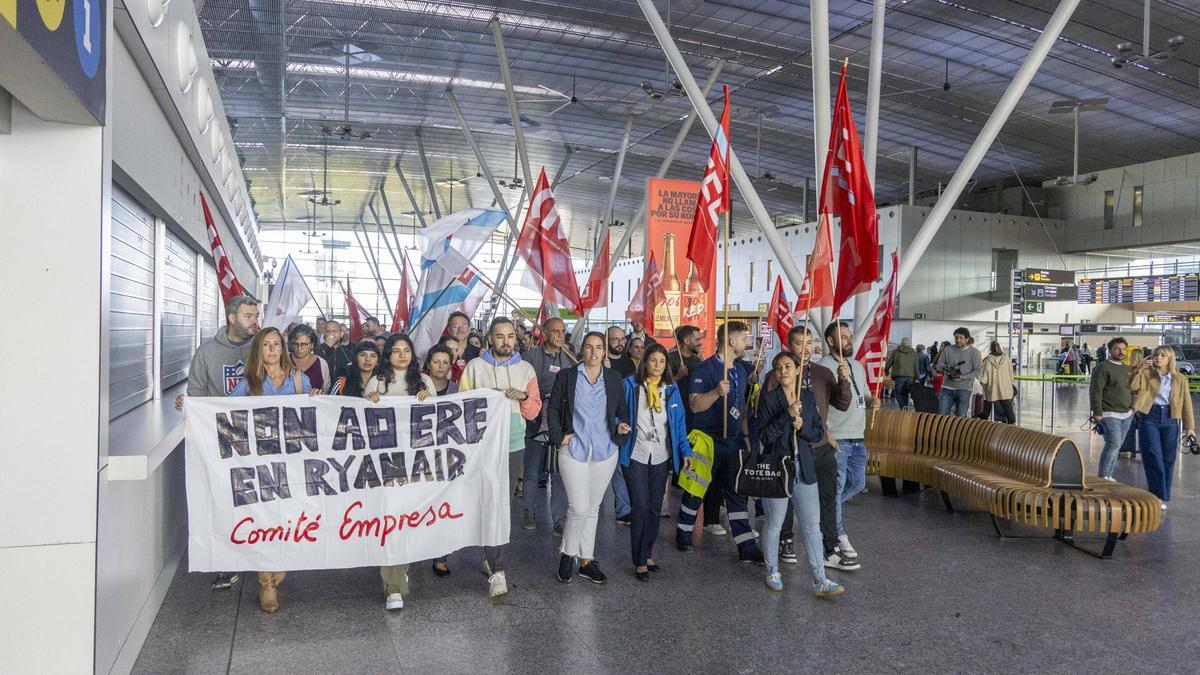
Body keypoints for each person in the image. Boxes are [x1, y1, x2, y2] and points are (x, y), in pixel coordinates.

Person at [229, 327, 316, 613]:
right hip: (259, 463)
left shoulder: (299, 381)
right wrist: (191, 407)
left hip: (292, 463)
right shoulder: (248, 383)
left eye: (276, 344)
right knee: (264, 519)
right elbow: (222, 415)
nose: (272, 349)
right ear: (259, 350)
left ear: (283, 348)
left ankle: (280, 564)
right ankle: (265, 582)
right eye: (266, 345)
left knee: (289, 517)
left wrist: (317, 400)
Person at [177, 294, 260, 591]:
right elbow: (196, 392)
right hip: (221, 440)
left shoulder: (261, 348)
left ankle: (263, 556)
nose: (255, 321)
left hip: (257, 439)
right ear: (232, 318)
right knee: (223, 500)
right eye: (249, 316)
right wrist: (189, 406)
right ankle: (227, 564)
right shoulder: (207, 352)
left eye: (256, 315)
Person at [459, 317, 543, 597]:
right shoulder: (475, 367)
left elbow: (533, 412)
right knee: (484, 500)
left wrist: (522, 397)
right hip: (482, 446)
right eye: (499, 336)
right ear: (490, 339)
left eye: (510, 336)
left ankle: (496, 566)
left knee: (502, 504)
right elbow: (462, 407)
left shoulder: (526, 369)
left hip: (513, 444)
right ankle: (491, 557)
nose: (506, 341)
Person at [762, 325, 852, 569]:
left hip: (820, 445)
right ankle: (786, 540)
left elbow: (841, 404)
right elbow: (767, 419)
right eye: (800, 342)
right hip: (789, 450)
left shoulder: (824, 373)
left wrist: (843, 382)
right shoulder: (775, 377)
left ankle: (830, 547)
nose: (806, 348)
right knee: (787, 499)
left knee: (828, 498)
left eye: (810, 342)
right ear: (790, 347)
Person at [676, 320, 764, 564]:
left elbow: (742, 408)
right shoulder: (705, 370)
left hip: (732, 441)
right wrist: (715, 393)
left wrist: (745, 436)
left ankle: (746, 546)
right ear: (732, 341)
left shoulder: (741, 369)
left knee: (736, 494)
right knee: (696, 490)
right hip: (707, 440)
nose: (747, 342)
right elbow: (694, 405)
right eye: (744, 338)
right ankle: (683, 534)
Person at [547, 332, 631, 584]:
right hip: (574, 449)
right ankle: (567, 554)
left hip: (605, 451)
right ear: (581, 350)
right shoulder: (567, 377)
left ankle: (586, 560)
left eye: (599, 348)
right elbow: (552, 409)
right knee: (579, 507)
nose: (594, 353)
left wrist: (621, 428)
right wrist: (558, 436)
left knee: (593, 508)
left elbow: (621, 412)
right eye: (589, 347)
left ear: (605, 351)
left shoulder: (614, 379)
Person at [364, 333, 435, 611]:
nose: (402, 356)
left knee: (407, 520)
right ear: (388, 355)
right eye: (396, 351)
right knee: (391, 519)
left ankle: (400, 565)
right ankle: (393, 586)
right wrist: (369, 400)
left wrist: (429, 400)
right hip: (386, 462)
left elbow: (436, 420)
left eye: (407, 350)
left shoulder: (425, 381)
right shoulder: (377, 381)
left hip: (417, 462)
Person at [619, 344, 692, 581]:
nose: (657, 365)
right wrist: (618, 426)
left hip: (661, 455)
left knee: (653, 507)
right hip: (636, 453)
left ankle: (648, 553)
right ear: (645, 362)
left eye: (662, 361)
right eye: (653, 360)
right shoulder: (630, 385)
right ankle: (639, 560)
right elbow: (616, 412)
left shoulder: (671, 390)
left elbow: (679, 424)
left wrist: (686, 450)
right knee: (639, 506)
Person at [817, 321, 879, 570]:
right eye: (842, 337)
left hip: (858, 437)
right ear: (830, 341)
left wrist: (872, 400)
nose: (848, 340)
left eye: (849, 336)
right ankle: (838, 535)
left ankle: (824, 513)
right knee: (837, 487)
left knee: (858, 483)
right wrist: (825, 433)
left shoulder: (857, 365)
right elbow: (818, 405)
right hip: (838, 437)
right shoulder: (823, 368)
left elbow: (862, 393)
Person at [522, 318, 575, 534]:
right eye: (556, 331)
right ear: (545, 332)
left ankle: (559, 519)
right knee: (532, 471)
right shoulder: (531, 356)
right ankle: (529, 511)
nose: (560, 335)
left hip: (558, 423)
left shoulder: (569, 358)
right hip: (534, 421)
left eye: (563, 331)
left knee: (559, 473)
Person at [1130, 346, 1196, 507]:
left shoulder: (1180, 379)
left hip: (1170, 419)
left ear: (1170, 359)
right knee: (1153, 455)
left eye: (1162, 355)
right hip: (1149, 416)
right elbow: (1132, 387)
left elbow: (1187, 404)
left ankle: (1162, 495)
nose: (1158, 358)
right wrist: (1138, 369)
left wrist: (1190, 427)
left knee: (1168, 458)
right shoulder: (1146, 374)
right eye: (1156, 355)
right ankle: (1157, 495)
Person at [1088, 337, 1134, 480]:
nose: (1121, 352)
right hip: (1108, 413)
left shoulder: (1126, 369)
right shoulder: (1102, 368)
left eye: (1123, 349)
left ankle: (1108, 475)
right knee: (1112, 444)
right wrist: (1097, 412)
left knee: (1117, 446)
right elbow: (1096, 390)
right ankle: (1103, 476)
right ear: (1109, 350)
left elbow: (1130, 389)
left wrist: (1132, 408)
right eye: (1117, 349)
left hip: (1126, 414)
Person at [935, 328, 981, 417]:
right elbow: (939, 365)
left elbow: (977, 371)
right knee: (942, 416)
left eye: (961, 338)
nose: (958, 340)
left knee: (961, 417)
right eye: (956, 337)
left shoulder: (974, 353)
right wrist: (947, 369)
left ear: (967, 339)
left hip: (964, 389)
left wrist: (962, 377)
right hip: (947, 388)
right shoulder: (948, 349)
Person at [977, 341, 1015, 424]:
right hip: (1005, 385)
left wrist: (982, 382)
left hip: (992, 386)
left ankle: (985, 415)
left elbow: (984, 376)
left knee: (988, 399)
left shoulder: (987, 360)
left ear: (990, 348)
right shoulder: (1006, 359)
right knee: (1006, 403)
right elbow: (1011, 373)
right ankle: (1011, 419)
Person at [288, 324, 331, 394]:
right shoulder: (284, 360)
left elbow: (326, 390)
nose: (299, 348)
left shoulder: (321, 363)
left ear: (312, 344)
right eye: (295, 344)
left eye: (303, 344)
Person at [1120, 348, 1145, 459]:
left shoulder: (1127, 369)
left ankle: (1127, 450)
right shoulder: (1147, 370)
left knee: (1128, 424)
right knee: (1144, 425)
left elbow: (1126, 386)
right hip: (1144, 404)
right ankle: (1144, 449)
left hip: (1129, 403)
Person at [884, 337, 919, 409]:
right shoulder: (914, 353)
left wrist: (886, 371)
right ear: (909, 344)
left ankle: (903, 407)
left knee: (898, 393)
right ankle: (904, 407)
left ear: (901, 343)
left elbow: (889, 363)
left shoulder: (895, 352)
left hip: (899, 376)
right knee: (906, 393)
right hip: (910, 376)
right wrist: (917, 377)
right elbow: (916, 366)